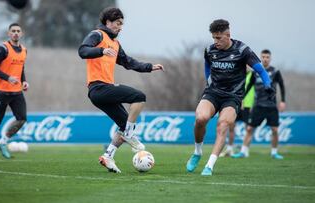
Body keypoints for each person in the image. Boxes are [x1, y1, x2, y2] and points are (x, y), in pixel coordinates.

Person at [78, 7, 164, 173]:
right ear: (108, 22)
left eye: (122, 24)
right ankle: (130, 135)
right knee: (139, 96)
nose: (120, 27)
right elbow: (82, 51)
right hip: (98, 88)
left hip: (103, 90)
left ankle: (108, 156)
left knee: (124, 124)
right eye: (118, 23)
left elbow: (128, 62)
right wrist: (101, 50)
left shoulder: (116, 44)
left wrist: (149, 67)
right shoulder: (97, 35)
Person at [185, 19, 273, 176]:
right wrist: (208, 79)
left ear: (228, 35)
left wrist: (268, 84)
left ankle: (209, 166)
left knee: (223, 125)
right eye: (213, 38)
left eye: (219, 38)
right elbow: (207, 63)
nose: (215, 41)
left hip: (233, 96)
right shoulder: (210, 50)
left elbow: (260, 70)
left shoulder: (243, 50)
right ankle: (198, 152)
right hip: (213, 92)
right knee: (201, 118)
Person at [0, 23, 29, 160]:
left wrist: (24, 81)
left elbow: (21, 69)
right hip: (1, 91)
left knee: (22, 119)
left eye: (18, 31)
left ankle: (2, 142)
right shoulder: (3, 49)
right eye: (13, 31)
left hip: (16, 91)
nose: (15, 33)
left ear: (22, 33)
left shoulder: (24, 50)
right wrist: (8, 78)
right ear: (9, 33)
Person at [232, 49, 286, 159]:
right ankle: (243, 151)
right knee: (249, 129)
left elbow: (281, 86)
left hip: (271, 106)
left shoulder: (275, 71)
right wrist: (241, 99)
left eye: (267, 57)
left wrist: (283, 101)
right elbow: (248, 87)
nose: (265, 59)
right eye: (263, 57)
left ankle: (274, 152)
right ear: (261, 58)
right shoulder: (255, 72)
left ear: (270, 58)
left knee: (274, 130)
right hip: (258, 105)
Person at [220, 67, 255, 157]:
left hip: (248, 106)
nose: (246, 67)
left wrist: (253, 104)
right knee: (231, 126)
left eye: (248, 65)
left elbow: (256, 91)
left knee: (248, 128)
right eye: (245, 65)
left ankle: (245, 150)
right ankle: (229, 149)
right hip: (236, 104)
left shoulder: (253, 75)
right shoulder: (237, 74)